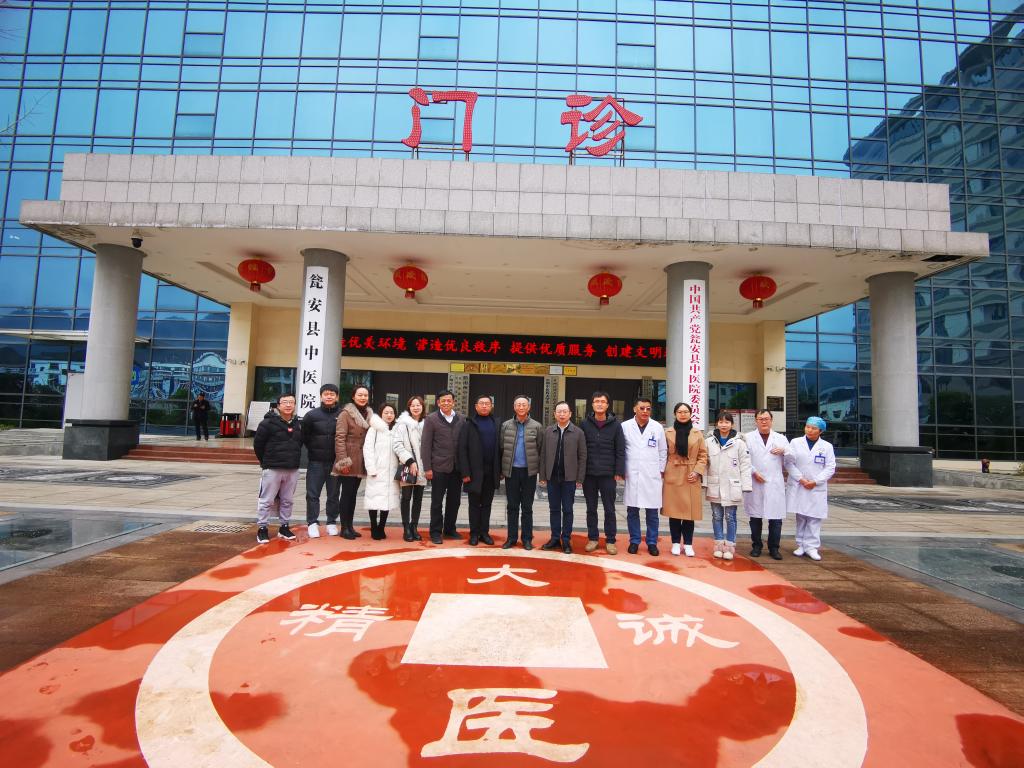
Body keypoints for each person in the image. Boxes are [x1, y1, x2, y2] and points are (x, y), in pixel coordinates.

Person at [252, 392, 302, 544]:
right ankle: (262, 528)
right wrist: (266, 462)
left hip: (292, 469)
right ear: (278, 405)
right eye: (285, 402)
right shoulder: (267, 423)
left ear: (295, 405)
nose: (288, 405)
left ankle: (284, 527)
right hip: (272, 468)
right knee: (266, 500)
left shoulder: (298, 424)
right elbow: (258, 445)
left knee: (288, 500)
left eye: (291, 402)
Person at [785, 416, 836, 561]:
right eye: (807, 427)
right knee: (801, 516)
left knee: (814, 518)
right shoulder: (795, 442)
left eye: (814, 428)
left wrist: (815, 481)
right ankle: (801, 544)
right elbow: (789, 463)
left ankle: (812, 547)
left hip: (816, 487)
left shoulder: (826, 446)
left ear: (821, 431)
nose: (809, 430)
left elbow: (830, 467)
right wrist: (800, 478)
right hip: (800, 484)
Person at [580, 391, 625, 555]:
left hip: (608, 474)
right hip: (589, 474)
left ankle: (610, 540)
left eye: (602, 401)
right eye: (596, 401)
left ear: (607, 405)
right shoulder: (584, 424)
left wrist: (619, 471)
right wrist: (580, 473)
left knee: (609, 509)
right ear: (592, 405)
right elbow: (580, 449)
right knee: (591, 508)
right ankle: (593, 538)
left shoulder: (616, 425)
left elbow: (620, 450)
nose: (599, 404)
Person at [704, 410, 752, 560]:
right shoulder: (709, 442)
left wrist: (746, 485)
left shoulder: (739, 443)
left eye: (727, 422)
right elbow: (704, 463)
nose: (723, 425)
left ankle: (730, 546)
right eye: (721, 422)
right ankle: (718, 545)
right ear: (716, 424)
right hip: (715, 485)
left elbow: (745, 465)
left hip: (733, 485)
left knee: (730, 517)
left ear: (732, 424)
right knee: (716, 516)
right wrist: (703, 482)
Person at [539, 401, 587, 554]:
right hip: (552, 477)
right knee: (554, 509)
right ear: (554, 414)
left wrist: (580, 478)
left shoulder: (578, 432)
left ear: (570, 414)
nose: (561, 414)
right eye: (559, 411)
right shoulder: (548, 431)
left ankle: (566, 539)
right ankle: (554, 538)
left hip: (569, 478)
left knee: (567, 509)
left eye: (564, 411)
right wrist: (543, 475)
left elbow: (583, 456)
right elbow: (543, 454)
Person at [622, 397, 667, 555]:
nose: (645, 411)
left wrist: (660, 470)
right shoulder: (625, 426)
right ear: (635, 409)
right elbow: (621, 450)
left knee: (652, 512)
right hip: (632, 473)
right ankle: (634, 541)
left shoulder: (657, 427)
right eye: (642, 408)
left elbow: (663, 450)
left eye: (648, 408)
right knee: (632, 510)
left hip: (651, 474)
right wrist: (621, 470)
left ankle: (652, 542)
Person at [662, 402, 708, 557]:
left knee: (689, 513)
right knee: (674, 512)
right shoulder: (667, 432)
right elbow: (662, 453)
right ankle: (675, 543)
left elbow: (703, 455)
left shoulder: (697, 433)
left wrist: (697, 472)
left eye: (686, 412)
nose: (683, 414)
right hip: (673, 472)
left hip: (691, 474)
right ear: (675, 414)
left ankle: (688, 544)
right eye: (680, 412)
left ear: (690, 414)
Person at [499, 395, 544, 550]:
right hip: (511, 472)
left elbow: (540, 449)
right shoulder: (505, 425)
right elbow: (501, 448)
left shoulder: (537, 426)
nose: (521, 407)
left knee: (527, 507)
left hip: (529, 473)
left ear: (528, 407)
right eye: (518, 404)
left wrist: (540, 473)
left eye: (524, 404)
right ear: (514, 407)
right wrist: (501, 470)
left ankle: (527, 539)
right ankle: (511, 538)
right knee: (512, 506)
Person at [744, 409, 789, 560]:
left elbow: (791, 459)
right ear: (756, 421)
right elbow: (744, 459)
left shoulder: (781, 438)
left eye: (766, 418)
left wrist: (784, 451)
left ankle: (774, 548)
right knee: (755, 517)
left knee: (775, 518)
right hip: (755, 480)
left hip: (774, 482)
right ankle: (756, 546)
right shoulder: (748, 438)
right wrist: (754, 472)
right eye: (760, 419)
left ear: (771, 420)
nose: (764, 421)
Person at [421, 390, 464, 545]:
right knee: (437, 502)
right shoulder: (431, 419)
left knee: (455, 501)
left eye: (449, 400)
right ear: (438, 402)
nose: (446, 403)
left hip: (456, 468)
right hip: (438, 468)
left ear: (453, 402)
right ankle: (435, 532)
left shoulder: (461, 419)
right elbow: (426, 445)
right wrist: (427, 468)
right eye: (443, 401)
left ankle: (450, 529)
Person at [458, 395, 501, 546]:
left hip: (491, 471)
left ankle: (484, 533)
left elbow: (501, 448)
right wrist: (465, 472)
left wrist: (500, 470)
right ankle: (474, 534)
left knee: (487, 504)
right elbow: (462, 449)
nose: (484, 406)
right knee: (474, 504)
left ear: (491, 406)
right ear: (476, 406)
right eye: (481, 403)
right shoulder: (468, 424)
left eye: (487, 403)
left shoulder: (496, 423)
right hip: (474, 472)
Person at [332, 384, 373, 540]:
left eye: (365, 395)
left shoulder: (369, 414)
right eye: (360, 395)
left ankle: (350, 526)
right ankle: (344, 528)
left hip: (361, 458)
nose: (363, 398)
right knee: (346, 494)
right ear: (353, 396)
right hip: (348, 458)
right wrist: (343, 462)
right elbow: (339, 438)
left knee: (353, 494)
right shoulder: (345, 414)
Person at [302, 383, 342, 538]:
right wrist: (314, 449)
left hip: (335, 463)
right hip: (316, 462)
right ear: (321, 396)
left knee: (333, 494)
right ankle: (312, 523)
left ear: (337, 397)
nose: (329, 396)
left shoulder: (343, 414)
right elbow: (305, 437)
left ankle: (331, 522)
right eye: (326, 394)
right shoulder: (311, 415)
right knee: (312, 494)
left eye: (332, 394)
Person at [363, 403, 400, 540]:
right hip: (377, 470)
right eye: (386, 412)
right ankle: (374, 527)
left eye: (392, 412)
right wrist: (371, 468)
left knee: (387, 500)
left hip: (392, 471)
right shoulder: (374, 429)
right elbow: (367, 449)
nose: (389, 415)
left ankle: (381, 527)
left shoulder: (397, 429)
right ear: (381, 414)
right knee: (373, 499)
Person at [393, 395, 427, 542]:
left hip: (423, 467)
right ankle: (406, 528)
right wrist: (410, 460)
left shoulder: (427, 424)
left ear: (423, 407)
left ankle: (414, 527)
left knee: (418, 499)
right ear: (409, 407)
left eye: (418, 405)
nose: (416, 407)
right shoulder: (402, 424)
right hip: (408, 466)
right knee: (406, 498)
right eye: (413, 405)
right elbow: (397, 444)